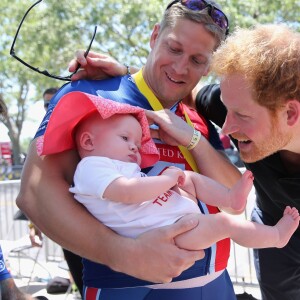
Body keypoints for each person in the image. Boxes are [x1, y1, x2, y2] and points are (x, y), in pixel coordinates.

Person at [17, 1, 243, 299]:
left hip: (218, 286)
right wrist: (123, 253)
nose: (180, 67)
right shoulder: (92, 92)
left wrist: (193, 139)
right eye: (174, 49)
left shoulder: (195, 119)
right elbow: (35, 193)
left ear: (208, 66)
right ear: (154, 37)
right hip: (131, 288)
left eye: (197, 60)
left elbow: (233, 199)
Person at [38, 91, 299, 254]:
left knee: (190, 178)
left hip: (175, 220)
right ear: (88, 142)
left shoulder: (118, 166)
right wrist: (166, 180)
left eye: (137, 141)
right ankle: (275, 236)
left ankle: (230, 198)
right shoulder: (91, 168)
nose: (134, 145)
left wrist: (173, 181)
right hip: (173, 233)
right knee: (225, 224)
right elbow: (126, 192)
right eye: (125, 138)